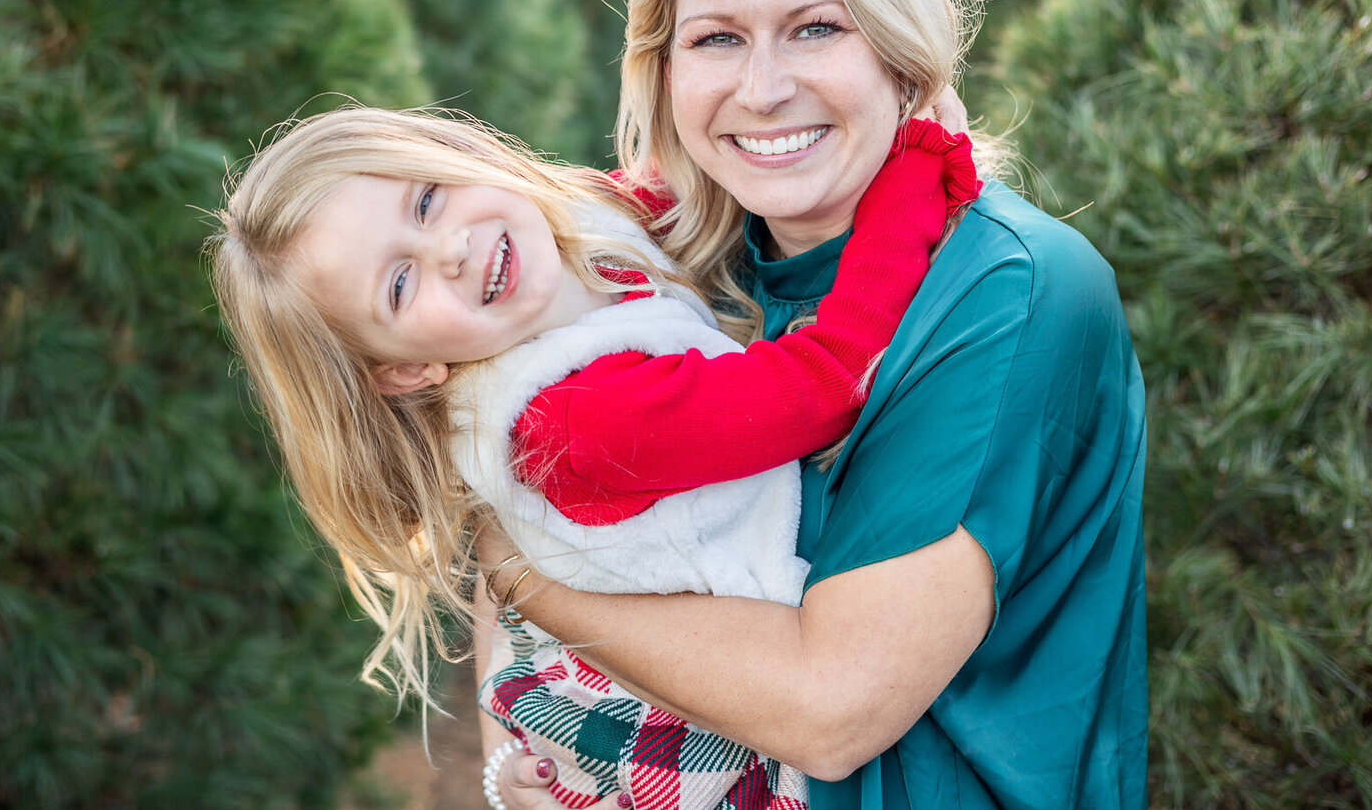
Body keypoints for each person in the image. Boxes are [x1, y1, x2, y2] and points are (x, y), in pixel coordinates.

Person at [476, 0, 1149, 810]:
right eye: (715, 40)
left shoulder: (1015, 289)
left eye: (815, 28)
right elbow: (493, 434)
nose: (761, 88)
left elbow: (830, 710)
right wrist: (515, 767)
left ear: (899, 50)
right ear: (663, 70)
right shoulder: (673, 268)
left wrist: (515, 567)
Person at [206, 104, 979, 810]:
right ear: (407, 371)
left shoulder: (574, 226)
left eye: (427, 198)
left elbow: (675, 184)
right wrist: (914, 163)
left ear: (462, 151)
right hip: (719, 756)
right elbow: (822, 383)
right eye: (400, 283)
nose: (451, 248)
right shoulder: (574, 424)